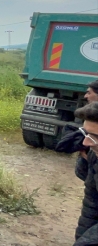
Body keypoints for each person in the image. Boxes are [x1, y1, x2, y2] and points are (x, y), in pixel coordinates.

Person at [73, 102, 98, 246]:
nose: (86, 142)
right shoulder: (95, 154)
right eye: (86, 133)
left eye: (95, 136)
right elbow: (92, 205)